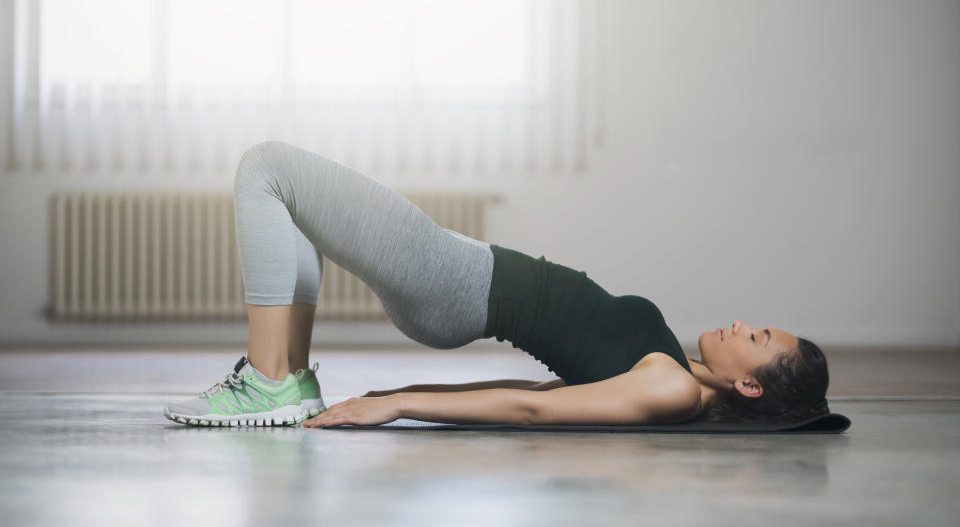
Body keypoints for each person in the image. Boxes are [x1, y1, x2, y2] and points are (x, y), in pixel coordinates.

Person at [163, 140, 830, 428]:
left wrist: (399, 408)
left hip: (452, 280)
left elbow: (533, 411)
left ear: (751, 384)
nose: (743, 324)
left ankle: (269, 379)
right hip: (458, 271)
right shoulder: (674, 375)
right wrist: (398, 393)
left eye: (760, 337)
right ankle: (291, 382)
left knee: (267, 170)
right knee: (293, 208)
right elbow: (539, 390)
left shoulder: (672, 388)